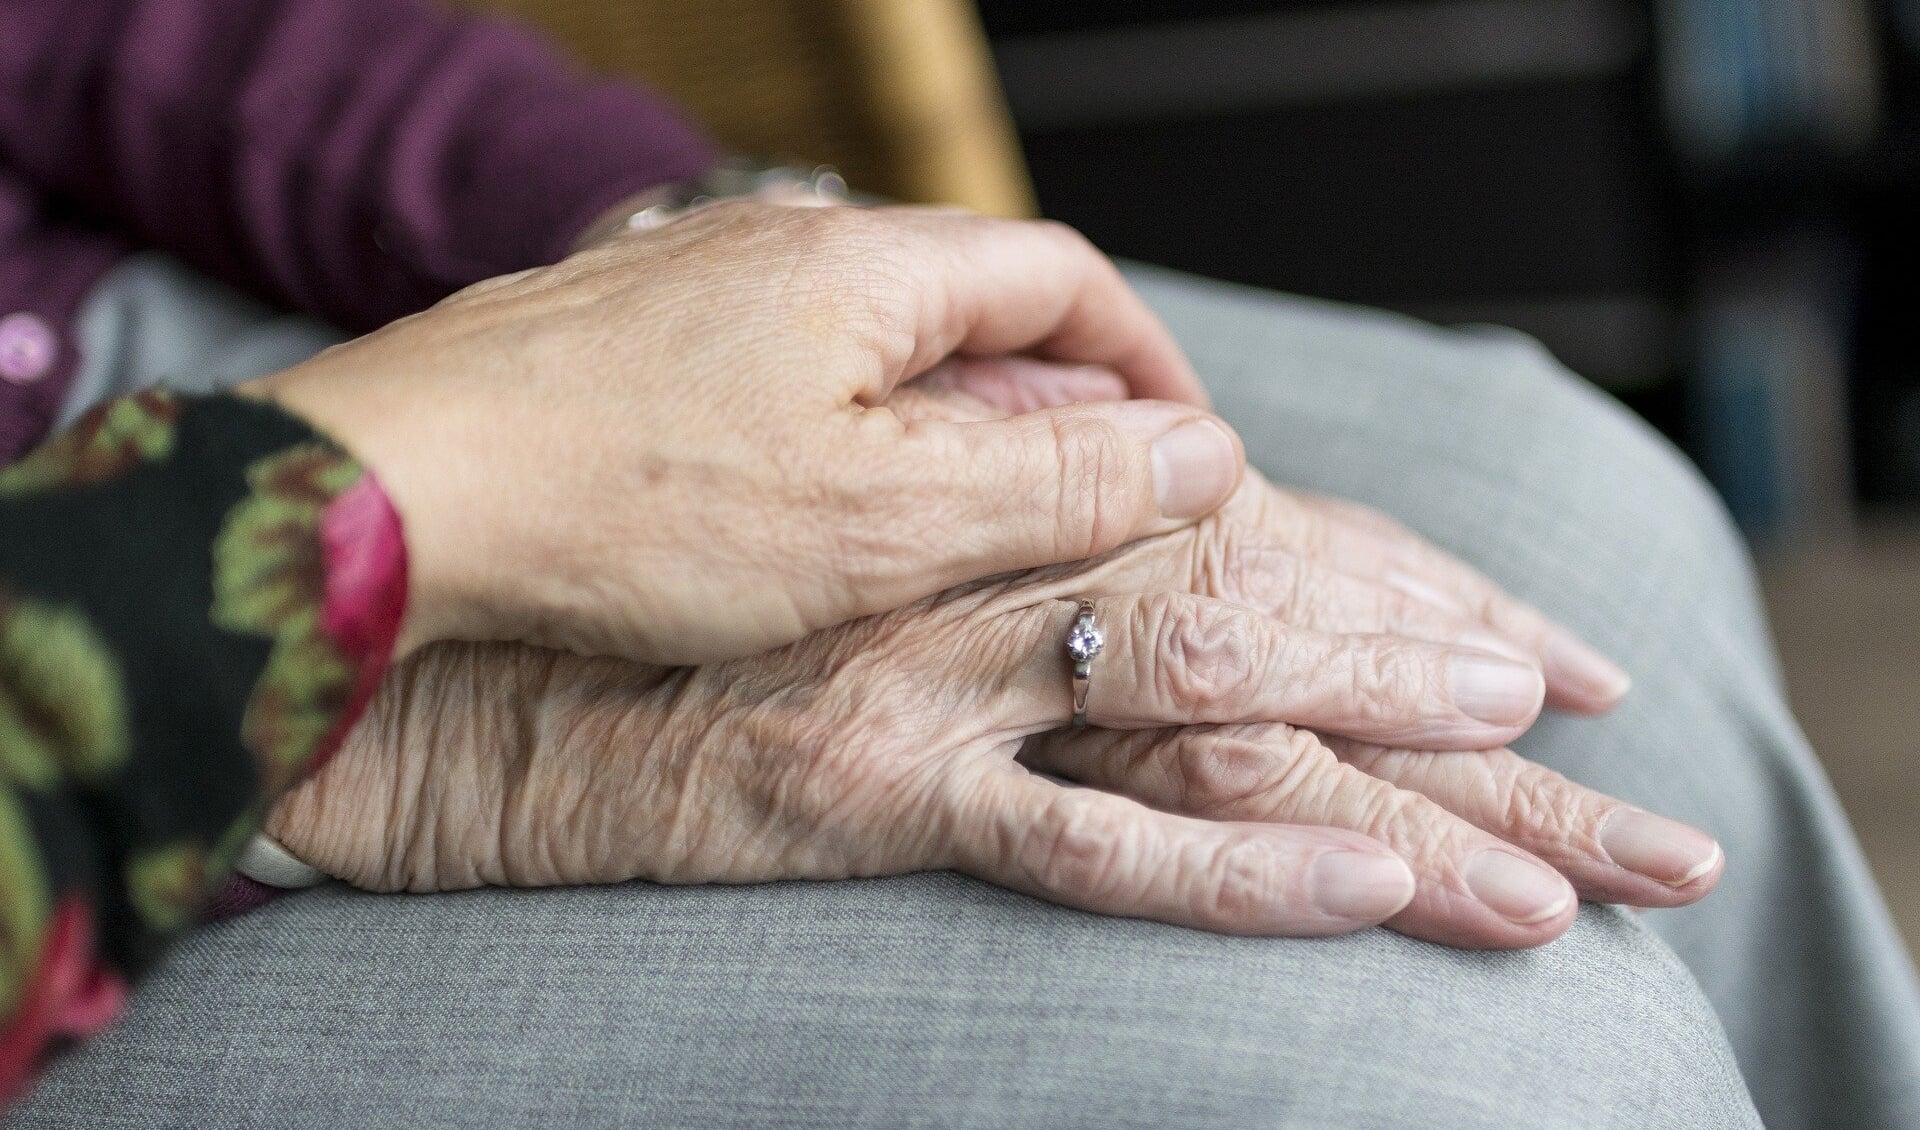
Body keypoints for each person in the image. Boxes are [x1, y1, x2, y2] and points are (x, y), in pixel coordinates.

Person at [0, 2, 1913, 1127]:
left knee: (1574, 518)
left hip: (172, 326)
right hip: (76, 783)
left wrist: (679, 255)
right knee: (1476, 1060)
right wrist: (389, 706)